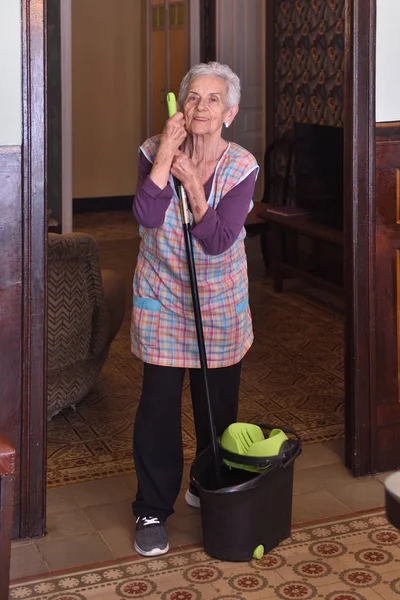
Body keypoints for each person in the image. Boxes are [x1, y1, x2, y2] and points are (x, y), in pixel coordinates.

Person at [131, 61, 259, 557]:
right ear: (180, 107)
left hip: (219, 299)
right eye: (193, 97)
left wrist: (196, 187)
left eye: (212, 99)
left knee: (216, 410)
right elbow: (146, 213)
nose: (201, 106)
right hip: (162, 295)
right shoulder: (150, 150)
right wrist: (167, 154)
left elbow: (218, 240)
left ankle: (208, 483)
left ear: (229, 113)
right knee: (158, 408)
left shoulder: (242, 166)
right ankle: (151, 507)